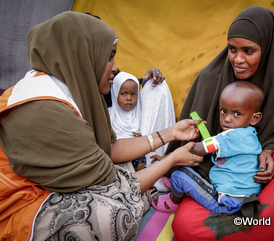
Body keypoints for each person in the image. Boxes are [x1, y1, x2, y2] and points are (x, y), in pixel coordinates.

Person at [0, 11, 204, 241]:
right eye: (109, 57)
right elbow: (113, 181)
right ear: (83, 55)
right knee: (113, 218)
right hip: (19, 203)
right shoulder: (47, 110)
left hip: (62, 181)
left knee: (128, 167)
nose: (115, 68)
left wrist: (170, 133)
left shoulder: (75, 87)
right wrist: (173, 158)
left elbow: (109, 148)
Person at [167, 6, 274, 240]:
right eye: (232, 50)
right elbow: (193, 140)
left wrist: (270, 151)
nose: (238, 60)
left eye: (248, 51)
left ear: (268, 48)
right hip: (211, 178)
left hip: (258, 184)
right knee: (185, 226)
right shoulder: (210, 78)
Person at [153, 81, 264, 214]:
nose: (227, 119)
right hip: (244, 198)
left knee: (179, 175)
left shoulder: (233, 136)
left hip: (227, 203)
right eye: (223, 111)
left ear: (255, 118)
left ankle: (173, 201)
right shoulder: (250, 134)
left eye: (237, 114)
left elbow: (200, 148)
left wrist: (169, 158)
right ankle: (178, 187)